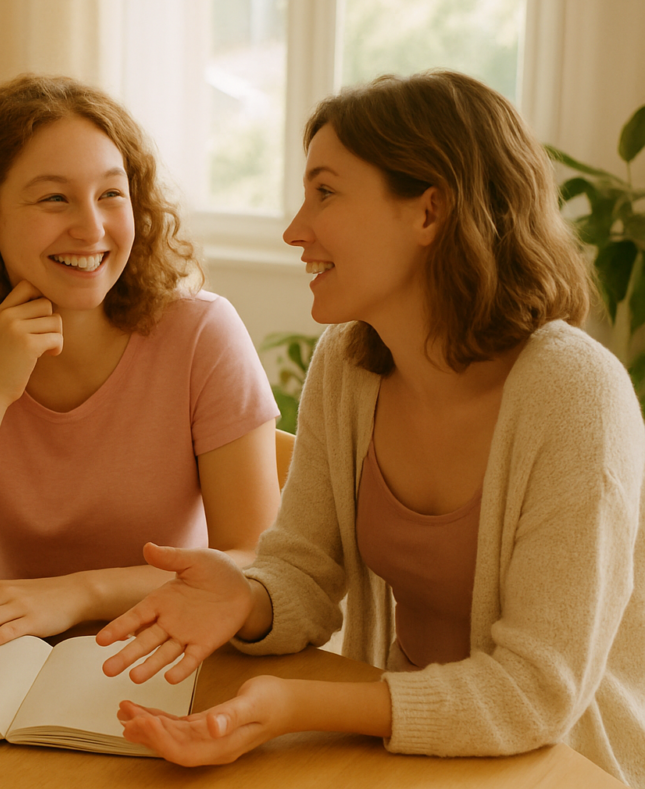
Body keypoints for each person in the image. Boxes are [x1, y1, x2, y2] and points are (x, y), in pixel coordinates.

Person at [97, 70, 645, 786]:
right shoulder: (348, 363)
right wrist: (246, 598)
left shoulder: (576, 394)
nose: (295, 230)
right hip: (404, 746)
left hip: (561, 761)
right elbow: (304, 571)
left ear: (429, 212)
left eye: (325, 192)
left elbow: (536, 693)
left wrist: (299, 704)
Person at [0, 74, 281, 652]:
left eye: (111, 194)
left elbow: (255, 563)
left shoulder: (201, 334)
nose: (91, 228)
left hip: (169, 650)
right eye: (54, 198)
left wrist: (79, 594)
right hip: (11, 660)